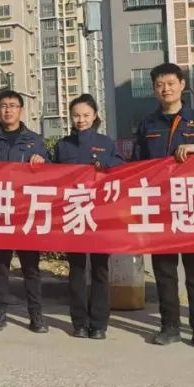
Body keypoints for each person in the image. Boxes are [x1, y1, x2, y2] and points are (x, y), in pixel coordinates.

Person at [132, 62, 194, 348]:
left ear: (182, 85)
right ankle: (169, 326)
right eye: (160, 85)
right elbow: (136, 164)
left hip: (193, 206)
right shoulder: (148, 124)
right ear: (154, 89)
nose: (166, 89)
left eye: (171, 83)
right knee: (164, 272)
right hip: (160, 208)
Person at [48, 94, 124, 339]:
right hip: (73, 213)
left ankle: (99, 324)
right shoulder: (63, 145)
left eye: (85, 115)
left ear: (95, 116)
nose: (81, 120)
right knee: (77, 269)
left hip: (100, 215)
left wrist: (106, 164)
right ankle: (79, 322)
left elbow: (121, 169)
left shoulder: (106, 143)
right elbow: (51, 176)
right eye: (76, 115)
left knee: (100, 269)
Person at [0, 89, 50, 334]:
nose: (8, 110)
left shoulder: (35, 141)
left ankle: (36, 316)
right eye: (4, 106)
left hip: (26, 213)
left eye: (13, 106)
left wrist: (42, 164)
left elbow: (52, 174)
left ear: (21, 110)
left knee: (31, 269)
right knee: (0, 268)